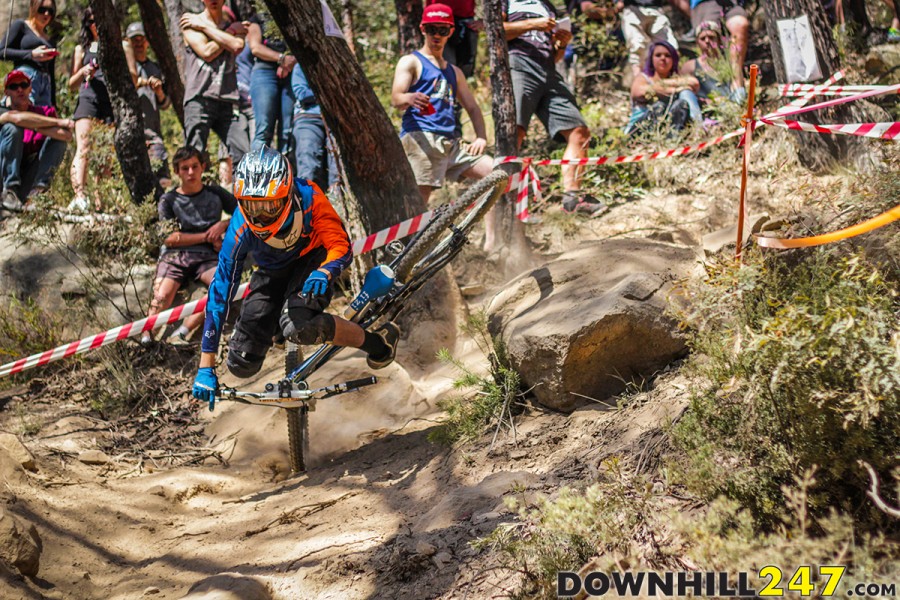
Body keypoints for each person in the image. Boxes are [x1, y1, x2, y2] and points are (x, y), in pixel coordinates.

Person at [190, 146, 401, 405]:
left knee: (300, 327)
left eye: (269, 206)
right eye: (252, 207)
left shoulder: (310, 197)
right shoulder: (240, 226)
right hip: (271, 271)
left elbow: (340, 244)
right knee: (240, 363)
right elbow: (221, 288)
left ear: (287, 193)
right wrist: (206, 365)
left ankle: (378, 342)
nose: (261, 216)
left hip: (311, 261)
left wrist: (325, 271)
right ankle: (279, 328)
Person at [503, 0, 604, 216]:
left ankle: (572, 199)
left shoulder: (547, 6)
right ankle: (505, 199)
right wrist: (533, 24)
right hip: (519, 64)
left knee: (579, 131)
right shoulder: (506, 2)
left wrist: (562, 43)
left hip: (548, 69)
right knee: (515, 132)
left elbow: (556, 55)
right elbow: (496, 32)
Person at [391, 4, 493, 204]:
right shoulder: (411, 62)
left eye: (443, 30)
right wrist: (409, 98)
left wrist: (481, 137)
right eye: (431, 29)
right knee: (419, 200)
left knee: (495, 174)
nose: (436, 35)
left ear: (450, 32)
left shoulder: (455, 72)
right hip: (421, 138)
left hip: (452, 143)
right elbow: (396, 98)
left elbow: (472, 107)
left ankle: (489, 235)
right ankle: (414, 236)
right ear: (423, 29)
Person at [142, 147, 235, 346]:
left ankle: (183, 332)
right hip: (175, 256)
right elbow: (169, 238)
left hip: (208, 257)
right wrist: (207, 236)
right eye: (185, 168)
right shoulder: (168, 200)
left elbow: (244, 212)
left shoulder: (215, 193)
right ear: (177, 171)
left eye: (195, 166)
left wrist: (223, 225)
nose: (191, 173)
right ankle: (146, 337)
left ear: (203, 167)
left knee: (222, 286)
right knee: (162, 295)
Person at [180, 0, 250, 170]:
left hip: (228, 99)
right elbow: (207, 52)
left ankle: (243, 196)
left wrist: (207, 29)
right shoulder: (190, 22)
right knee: (193, 156)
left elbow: (237, 45)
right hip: (199, 98)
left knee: (243, 154)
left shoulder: (229, 24)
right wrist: (231, 34)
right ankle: (193, 196)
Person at [0, 70, 72, 210]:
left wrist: (35, 126)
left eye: (23, 84)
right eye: (14, 87)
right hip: (3, 175)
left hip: (29, 173)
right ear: (7, 92)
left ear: (30, 88)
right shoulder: (2, 111)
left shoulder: (45, 112)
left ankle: (37, 193)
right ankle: (9, 191)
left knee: (58, 141)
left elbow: (66, 136)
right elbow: (17, 118)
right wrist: (58, 122)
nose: (20, 89)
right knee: (12, 129)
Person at [68, 8, 115, 212]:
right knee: (84, 147)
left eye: (98, 20)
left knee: (105, 155)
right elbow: (71, 83)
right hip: (88, 99)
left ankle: (101, 202)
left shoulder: (115, 46)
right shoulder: (82, 49)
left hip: (109, 103)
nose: (95, 25)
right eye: (90, 22)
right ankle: (79, 197)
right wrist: (83, 71)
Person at [126, 22, 173, 188]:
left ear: (147, 42)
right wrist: (142, 82)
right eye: (134, 40)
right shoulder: (123, 68)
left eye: (141, 39)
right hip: (131, 132)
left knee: (162, 178)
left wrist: (159, 91)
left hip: (153, 134)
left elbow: (165, 104)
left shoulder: (155, 68)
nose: (138, 43)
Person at [625, 40, 701, 135]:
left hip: (667, 130)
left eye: (667, 55)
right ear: (651, 59)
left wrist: (665, 86)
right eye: (658, 55)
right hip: (639, 132)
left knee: (682, 102)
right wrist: (675, 89)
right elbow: (638, 92)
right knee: (659, 107)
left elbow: (694, 83)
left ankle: (697, 128)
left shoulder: (677, 77)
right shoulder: (643, 77)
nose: (663, 58)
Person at [246, 6, 296, 151]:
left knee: (287, 130)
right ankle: (258, 170)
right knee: (264, 129)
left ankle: (285, 171)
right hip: (265, 72)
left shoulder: (294, 18)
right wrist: (281, 59)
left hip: (291, 72)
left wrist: (290, 63)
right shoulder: (258, 19)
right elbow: (255, 48)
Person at [0, 0, 59, 107]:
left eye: (50, 11)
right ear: (33, 8)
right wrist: (31, 54)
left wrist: (54, 105)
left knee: (43, 118)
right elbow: (2, 52)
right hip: (25, 78)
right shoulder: (21, 26)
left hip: (45, 83)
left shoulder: (50, 41)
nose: (46, 14)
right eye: (42, 10)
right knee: (20, 111)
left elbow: (51, 72)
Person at [291, 64, 337, 193]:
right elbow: (302, 94)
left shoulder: (336, 67)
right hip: (307, 117)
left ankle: (338, 203)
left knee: (337, 165)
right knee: (308, 161)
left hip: (334, 118)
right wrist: (329, 90)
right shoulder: (301, 66)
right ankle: (307, 202)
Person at [688, 0, 748, 90]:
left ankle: (737, 81)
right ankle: (714, 90)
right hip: (705, 3)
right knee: (707, 36)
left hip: (733, 3)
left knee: (740, 24)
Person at [681, 20, 745, 103]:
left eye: (711, 37)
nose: (707, 41)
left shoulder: (729, 63)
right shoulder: (690, 66)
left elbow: (738, 88)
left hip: (731, 103)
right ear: (697, 42)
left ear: (718, 40)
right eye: (702, 38)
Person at [620, 0, 678, 79]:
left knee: (668, 46)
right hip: (632, 8)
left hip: (655, 7)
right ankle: (639, 81)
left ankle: (671, 78)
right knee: (636, 46)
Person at [425, 0, 482, 78]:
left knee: (465, 68)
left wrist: (484, 20)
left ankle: (460, 88)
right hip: (438, 21)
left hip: (466, 23)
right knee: (444, 66)